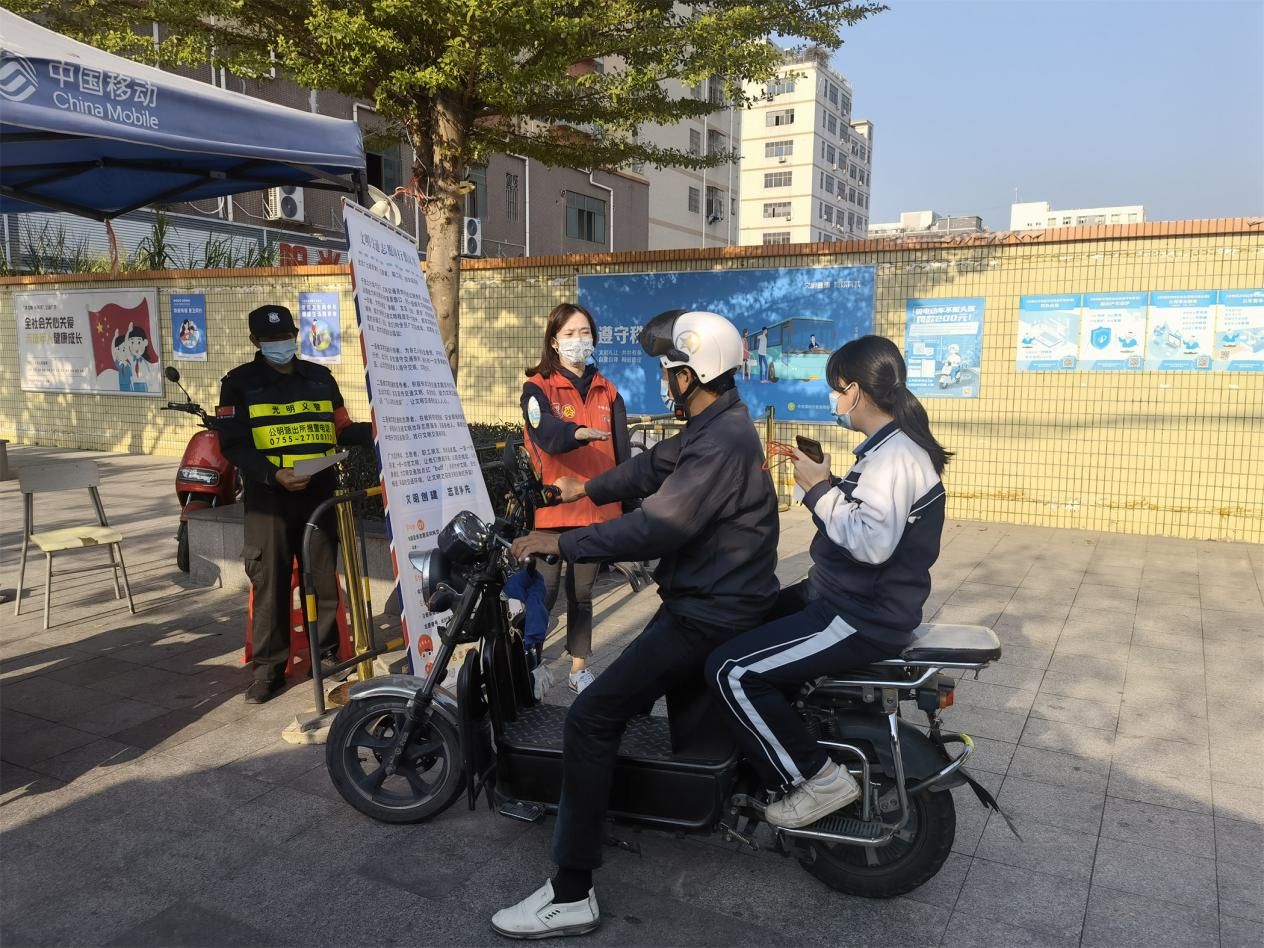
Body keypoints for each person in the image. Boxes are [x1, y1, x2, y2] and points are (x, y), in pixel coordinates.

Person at [494, 309, 779, 939]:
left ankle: (571, 892)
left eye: (671, 371)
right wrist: (581, 495)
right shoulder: (717, 424)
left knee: (593, 716)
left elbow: (660, 524)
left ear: (693, 372)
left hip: (708, 613)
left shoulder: (722, 440)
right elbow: (647, 470)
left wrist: (560, 544)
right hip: (708, 600)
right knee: (637, 703)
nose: (665, 383)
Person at [706, 334, 951, 829]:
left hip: (859, 614)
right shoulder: (886, 450)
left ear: (857, 391)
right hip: (839, 596)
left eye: (837, 390)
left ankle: (818, 778)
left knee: (730, 671)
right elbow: (869, 519)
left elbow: (870, 543)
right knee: (740, 622)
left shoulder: (896, 458)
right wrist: (831, 483)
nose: (834, 401)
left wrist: (818, 489)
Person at [217, 304, 373, 704]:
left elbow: (342, 427)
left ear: (295, 336)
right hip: (269, 498)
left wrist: (380, 427)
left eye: (285, 337)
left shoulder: (320, 378)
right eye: (270, 340)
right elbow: (233, 444)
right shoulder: (238, 383)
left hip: (318, 492)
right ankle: (269, 671)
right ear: (255, 342)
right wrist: (274, 474)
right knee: (270, 580)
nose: (280, 345)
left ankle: (327, 656)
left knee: (321, 576)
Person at [521, 302, 629, 694]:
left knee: (582, 596)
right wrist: (577, 433)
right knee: (543, 592)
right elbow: (545, 433)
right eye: (568, 334)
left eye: (584, 333)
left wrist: (627, 511)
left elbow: (623, 454)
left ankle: (579, 669)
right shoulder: (537, 387)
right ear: (553, 340)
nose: (578, 340)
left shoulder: (608, 389)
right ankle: (530, 661)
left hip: (597, 512)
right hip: (554, 510)